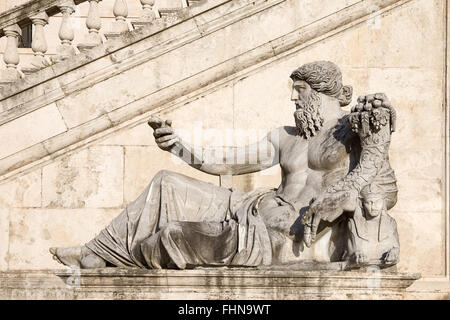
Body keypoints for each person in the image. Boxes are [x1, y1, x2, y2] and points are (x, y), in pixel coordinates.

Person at [50, 61, 397, 269]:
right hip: (252, 208)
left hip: (282, 234)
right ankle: (95, 253)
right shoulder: (285, 137)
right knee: (166, 181)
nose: (293, 97)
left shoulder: (354, 131)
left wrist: (339, 202)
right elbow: (224, 163)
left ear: (320, 92)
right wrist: (179, 147)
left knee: (172, 237)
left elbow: (381, 185)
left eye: (300, 89)